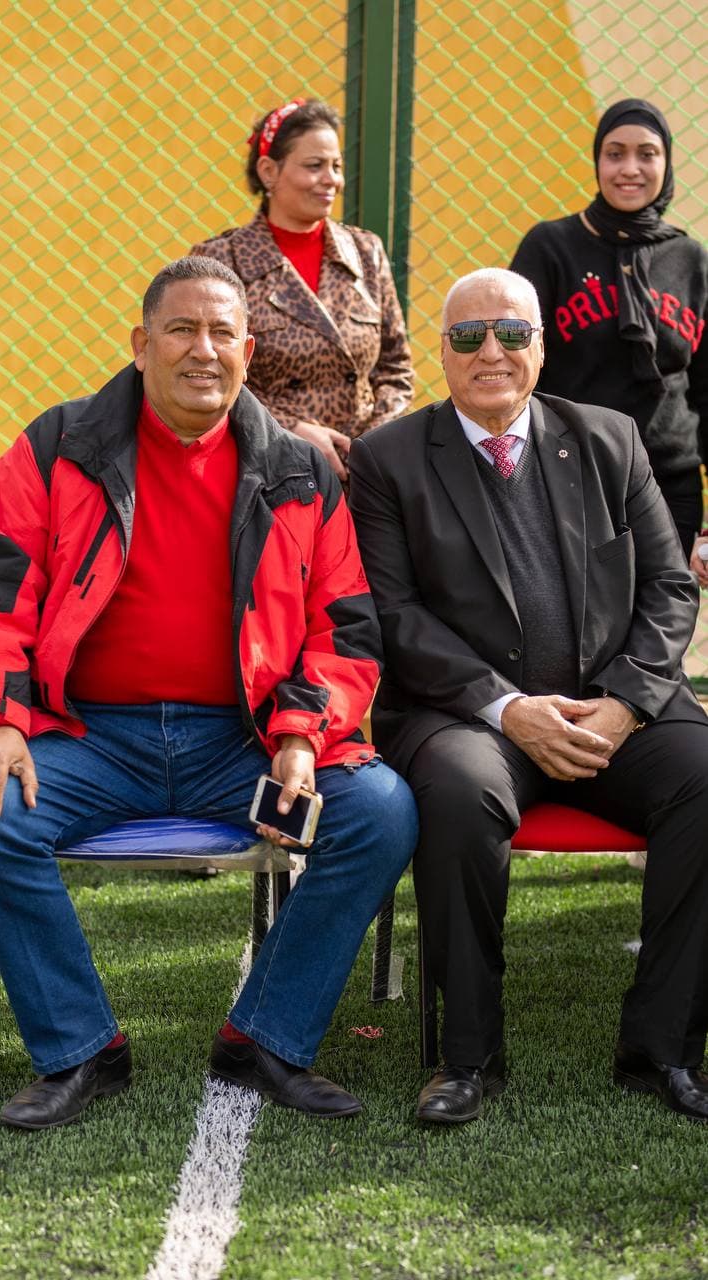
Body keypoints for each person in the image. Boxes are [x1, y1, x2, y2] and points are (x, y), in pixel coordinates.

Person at [0, 255, 417, 1130]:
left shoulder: (298, 471)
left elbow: (342, 628)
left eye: (222, 333)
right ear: (140, 343)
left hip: (244, 740)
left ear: (247, 350)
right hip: (88, 737)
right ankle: (81, 1049)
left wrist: (300, 736)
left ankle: (264, 1039)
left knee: (379, 810)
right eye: (181, 330)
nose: (204, 350)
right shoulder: (59, 447)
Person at [349, 267, 708, 1125]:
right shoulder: (388, 459)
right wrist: (509, 709)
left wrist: (624, 703)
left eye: (511, 333)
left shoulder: (609, 438)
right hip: (467, 718)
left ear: (540, 347)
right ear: (441, 351)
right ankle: (466, 1057)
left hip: (609, 706)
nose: (491, 352)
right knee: (459, 795)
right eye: (468, 335)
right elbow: (393, 615)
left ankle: (662, 1047)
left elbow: (667, 588)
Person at [510, 99, 708, 559]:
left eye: (647, 154)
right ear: (597, 160)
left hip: (669, 484)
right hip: (569, 475)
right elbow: (515, 369)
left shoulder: (691, 260)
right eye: (615, 154)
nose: (630, 169)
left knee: (663, 603)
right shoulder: (551, 247)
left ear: (667, 162)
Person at [191, 97, 414, 484]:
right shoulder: (220, 261)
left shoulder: (366, 252)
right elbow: (207, 374)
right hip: (265, 470)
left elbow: (396, 369)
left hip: (363, 476)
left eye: (336, 166)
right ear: (269, 171)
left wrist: (372, 445)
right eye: (314, 166)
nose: (332, 180)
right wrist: (288, 428)